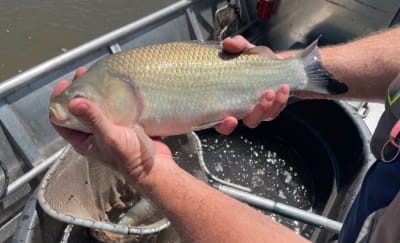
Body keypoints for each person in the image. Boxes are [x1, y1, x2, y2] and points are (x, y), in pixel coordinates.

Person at [50, 25, 400, 242]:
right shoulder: (113, 75)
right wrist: (276, 65)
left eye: (81, 100)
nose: (72, 111)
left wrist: (146, 170)